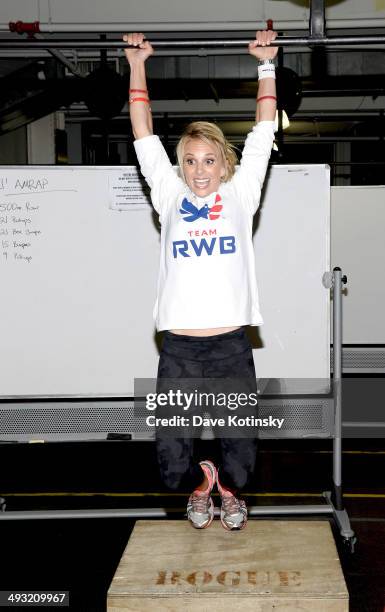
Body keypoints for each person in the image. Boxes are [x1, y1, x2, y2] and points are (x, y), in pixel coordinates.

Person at [123, 30, 278, 530]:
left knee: (242, 444)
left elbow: (262, 132)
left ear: (223, 163)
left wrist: (266, 67)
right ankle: (199, 483)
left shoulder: (241, 193)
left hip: (231, 344)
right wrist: (138, 64)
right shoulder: (168, 194)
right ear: (180, 165)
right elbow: (143, 135)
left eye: (208, 160)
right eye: (189, 160)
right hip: (180, 349)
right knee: (170, 455)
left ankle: (228, 490)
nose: (199, 170)